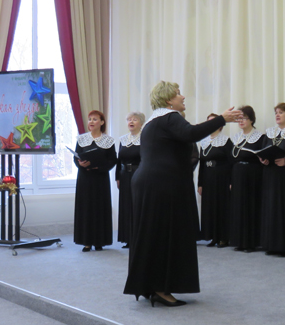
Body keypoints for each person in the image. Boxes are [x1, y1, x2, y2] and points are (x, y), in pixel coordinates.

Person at [123, 81, 241, 307]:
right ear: (168, 100)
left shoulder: (152, 122)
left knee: (152, 234)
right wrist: (222, 119)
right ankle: (161, 288)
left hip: (149, 183)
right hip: (161, 184)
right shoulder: (170, 117)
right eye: (178, 94)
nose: (183, 97)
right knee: (165, 236)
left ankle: (151, 285)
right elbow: (192, 133)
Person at [260, 103, 285, 256]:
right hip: (270, 174)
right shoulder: (270, 132)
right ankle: (270, 244)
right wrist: (263, 159)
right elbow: (263, 150)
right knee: (270, 208)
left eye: (281, 112)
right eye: (276, 112)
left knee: (282, 208)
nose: (277, 115)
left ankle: (284, 246)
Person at [74, 110, 116, 252]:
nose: (91, 122)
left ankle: (99, 241)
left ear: (102, 122)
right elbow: (76, 157)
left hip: (100, 178)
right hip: (85, 178)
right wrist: (80, 164)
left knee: (99, 208)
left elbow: (112, 160)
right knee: (86, 208)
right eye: (90, 119)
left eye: (95, 119)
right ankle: (86, 242)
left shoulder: (108, 141)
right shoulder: (82, 139)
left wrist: (99, 167)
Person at [228, 106, 266, 252]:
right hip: (237, 175)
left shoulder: (260, 137)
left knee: (250, 207)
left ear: (251, 119)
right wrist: (231, 181)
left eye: (244, 118)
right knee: (238, 207)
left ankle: (251, 242)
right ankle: (239, 241)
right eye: (239, 118)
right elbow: (231, 161)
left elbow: (262, 159)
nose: (241, 121)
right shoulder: (236, 138)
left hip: (252, 176)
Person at [197, 113, 232, 247]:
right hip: (208, 178)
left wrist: (231, 181)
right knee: (210, 207)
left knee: (221, 207)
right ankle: (213, 236)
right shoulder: (204, 142)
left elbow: (231, 162)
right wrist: (200, 184)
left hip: (221, 178)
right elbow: (201, 165)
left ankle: (223, 237)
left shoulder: (226, 141)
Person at [116, 112, 144, 249]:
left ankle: (139, 238)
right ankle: (128, 238)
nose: (131, 122)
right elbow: (119, 160)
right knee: (126, 206)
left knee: (137, 206)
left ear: (141, 123)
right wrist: (117, 177)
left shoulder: (145, 139)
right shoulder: (123, 139)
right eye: (129, 120)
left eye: (135, 119)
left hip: (138, 175)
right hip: (124, 176)